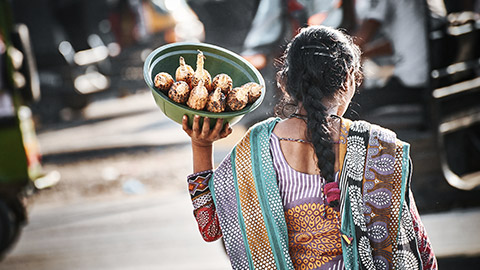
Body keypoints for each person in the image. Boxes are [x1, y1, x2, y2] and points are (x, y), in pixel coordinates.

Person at [182, 25, 437, 269]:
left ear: (284, 82)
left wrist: (201, 146)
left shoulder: (256, 148)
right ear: (349, 80)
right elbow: (420, 251)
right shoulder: (378, 146)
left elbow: (210, 227)